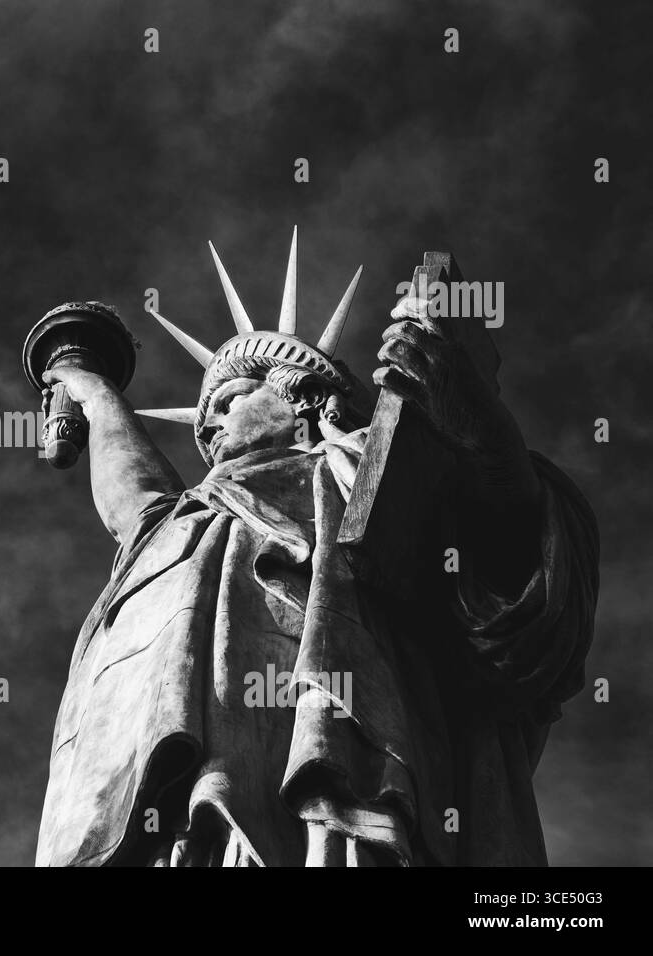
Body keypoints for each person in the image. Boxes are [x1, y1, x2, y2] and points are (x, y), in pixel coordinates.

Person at [34, 234, 599, 866]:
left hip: (339, 790)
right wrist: (90, 388)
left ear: (304, 399)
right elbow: (135, 498)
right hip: (171, 818)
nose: (209, 430)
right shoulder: (188, 521)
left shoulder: (359, 476)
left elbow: (517, 561)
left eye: (226, 403)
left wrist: (478, 426)